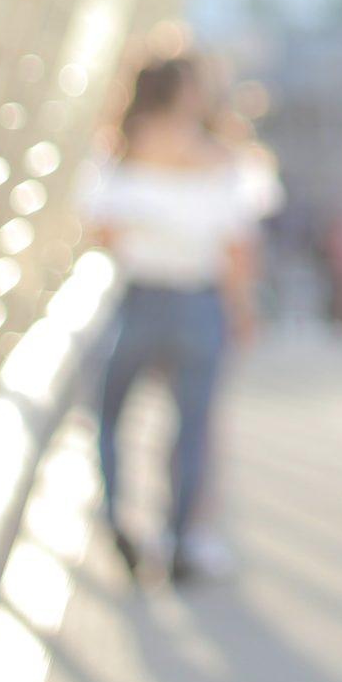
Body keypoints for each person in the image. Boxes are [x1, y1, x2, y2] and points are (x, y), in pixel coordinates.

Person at [82, 49, 275, 585]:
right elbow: (239, 249)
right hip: (199, 298)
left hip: (139, 294)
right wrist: (243, 309)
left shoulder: (119, 154)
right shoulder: (223, 160)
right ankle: (181, 537)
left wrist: (152, 226)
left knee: (109, 416)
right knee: (193, 425)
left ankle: (118, 514)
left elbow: (102, 231)